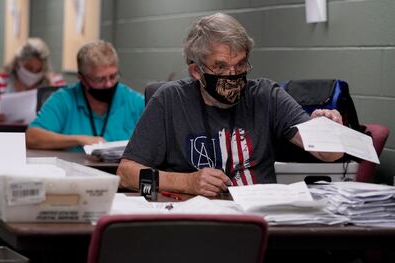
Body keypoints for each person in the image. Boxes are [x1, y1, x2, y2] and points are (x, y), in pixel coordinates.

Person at [117, 12, 343, 197]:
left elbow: (329, 156)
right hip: (196, 224)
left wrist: (330, 130)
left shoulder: (266, 96)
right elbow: (126, 174)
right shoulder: (170, 100)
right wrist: (187, 182)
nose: (233, 75)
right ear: (196, 71)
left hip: (261, 218)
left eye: (240, 65)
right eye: (221, 67)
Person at [26, 40, 144, 152]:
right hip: (74, 171)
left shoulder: (134, 102)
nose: (108, 84)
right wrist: (78, 139)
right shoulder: (63, 100)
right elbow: (31, 137)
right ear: (82, 78)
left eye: (113, 76)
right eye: (99, 79)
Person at [0, 37, 64, 116]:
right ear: (17, 64)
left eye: (39, 69)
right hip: (4, 130)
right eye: (29, 68)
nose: (33, 74)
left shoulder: (55, 83)